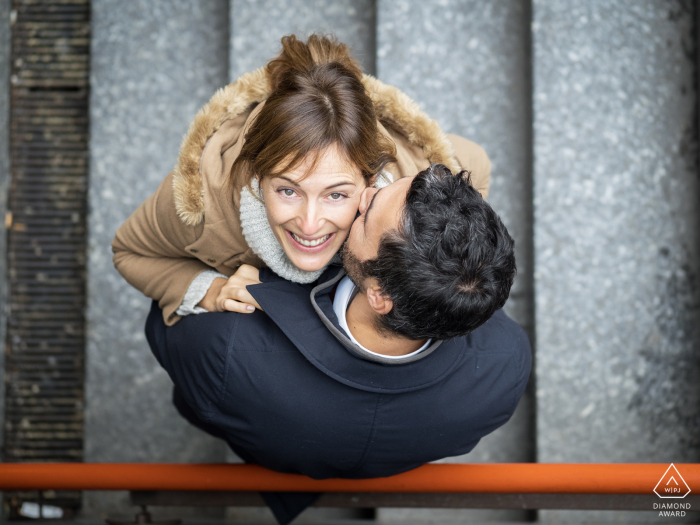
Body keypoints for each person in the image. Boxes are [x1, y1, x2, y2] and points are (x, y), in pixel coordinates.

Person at [145, 164, 531, 525]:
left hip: (261, 429)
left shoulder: (232, 347)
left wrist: (218, 287)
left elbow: (161, 327)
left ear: (378, 294)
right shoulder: (506, 365)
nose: (361, 195)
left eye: (366, 213)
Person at [112, 34, 491, 326]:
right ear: (258, 175)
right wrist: (209, 291)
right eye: (288, 190)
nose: (309, 224)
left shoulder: (420, 177)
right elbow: (130, 251)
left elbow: (475, 162)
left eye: (336, 195)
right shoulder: (206, 199)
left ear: (371, 181)